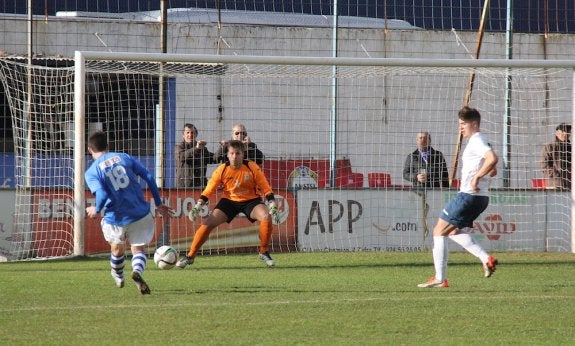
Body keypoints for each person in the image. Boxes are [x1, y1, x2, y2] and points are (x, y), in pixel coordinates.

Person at [418, 106, 499, 288]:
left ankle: (440, 278)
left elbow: (493, 159)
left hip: (469, 195)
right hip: (480, 198)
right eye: (459, 124)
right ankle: (487, 259)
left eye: (463, 124)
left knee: (438, 231)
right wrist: (483, 172)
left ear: (474, 124)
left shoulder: (477, 140)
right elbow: (493, 169)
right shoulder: (480, 140)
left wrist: (477, 177)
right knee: (452, 232)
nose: (460, 128)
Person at [84, 131, 173, 295]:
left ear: (90, 150)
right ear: (108, 146)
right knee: (138, 249)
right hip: (140, 212)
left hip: (116, 217)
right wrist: (159, 203)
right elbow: (149, 176)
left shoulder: (92, 172)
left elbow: (102, 194)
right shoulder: (124, 157)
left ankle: (118, 275)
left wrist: (96, 209)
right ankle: (137, 271)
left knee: (117, 250)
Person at [176, 139, 280, 269]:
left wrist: (272, 204)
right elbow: (209, 189)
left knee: (266, 217)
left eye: (238, 153)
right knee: (207, 224)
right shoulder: (222, 169)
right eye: (232, 153)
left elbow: (265, 186)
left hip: (251, 200)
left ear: (243, 154)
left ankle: (263, 252)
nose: (235, 156)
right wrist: (198, 206)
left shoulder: (252, 167)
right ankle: (190, 256)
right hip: (229, 201)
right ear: (227, 154)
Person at [175, 123, 214, 188]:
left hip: (200, 185)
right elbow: (182, 156)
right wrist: (197, 148)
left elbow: (212, 159)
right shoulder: (179, 147)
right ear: (183, 135)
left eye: (192, 133)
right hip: (184, 187)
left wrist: (222, 148)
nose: (190, 135)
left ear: (196, 135)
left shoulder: (202, 148)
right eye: (187, 132)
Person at [541, 123, 571, 189]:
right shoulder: (549, 147)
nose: (565, 134)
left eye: (568, 131)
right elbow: (545, 166)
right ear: (557, 133)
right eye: (563, 131)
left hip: (571, 185)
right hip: (555, 184)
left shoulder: (572, 148)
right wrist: (558, 175)